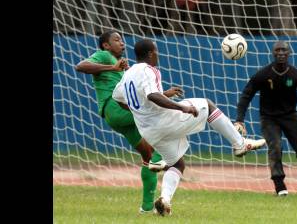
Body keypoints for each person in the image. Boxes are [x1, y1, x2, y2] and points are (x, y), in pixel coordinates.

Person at [112, 39, 266, 215]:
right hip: (164, 121)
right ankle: (239, 144)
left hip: (149, 131)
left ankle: (164, 201)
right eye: (156, 51)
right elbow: (152, 95)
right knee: (207, 106)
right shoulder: (148, 70)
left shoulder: (127, 75)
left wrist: (139, 111)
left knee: (177, 164)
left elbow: (117, 97)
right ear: (150, 54)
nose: (158, 55)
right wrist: (182, 107)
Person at [74, 30, 176, 213]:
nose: (122, 43)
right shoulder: (104, 55)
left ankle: (146, 208)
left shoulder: (124, 67)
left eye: (122, 40)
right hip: (115, 108)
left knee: (148, 155)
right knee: (162, 116)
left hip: (118, 117)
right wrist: (112, 68)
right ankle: (162, 158)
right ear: (106, 45)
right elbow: (81, 66)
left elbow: (137, 94)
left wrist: (164, 94)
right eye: (116, 39)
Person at [234, 41, 297, 197]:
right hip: (269, 118)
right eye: (277, 50)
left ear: (289, 53)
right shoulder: (263, 74)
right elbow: (246, 95)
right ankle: (280, 186)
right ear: (273, 53)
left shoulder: (296, 75)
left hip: (290, 117)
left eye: (284, 50)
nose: (281, 53)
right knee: (275, 148)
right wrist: (240, 120)